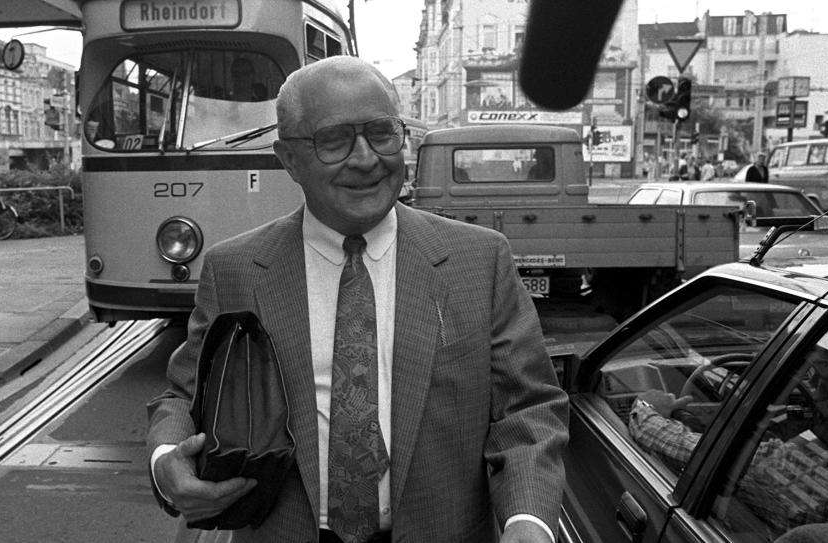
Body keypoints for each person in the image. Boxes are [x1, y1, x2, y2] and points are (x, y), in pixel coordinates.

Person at [147, 56, 569, 543]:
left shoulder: (479, 260)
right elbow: (183, 396)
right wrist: (166, 461)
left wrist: (528, 521)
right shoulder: (236, 269)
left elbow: (527, 409)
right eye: (335, 140)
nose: (366, 158)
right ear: (289, 159)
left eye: (381, 133)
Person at [628, 347, 828, 538]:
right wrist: (821, 408)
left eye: (813, 378)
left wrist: (646, 405)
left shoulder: (778, 461)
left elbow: (669, 439)